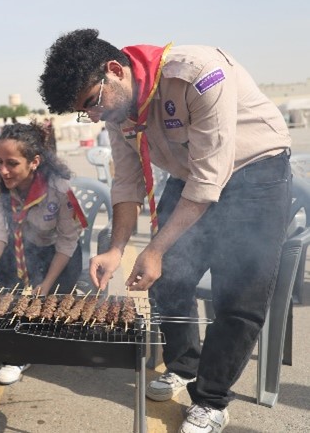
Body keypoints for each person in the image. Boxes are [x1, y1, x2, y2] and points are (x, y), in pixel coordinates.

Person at [39, 28, 292, 433]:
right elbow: (126, 182)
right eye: (82, 111)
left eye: (91, 102)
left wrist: (154, 248)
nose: (92, 115)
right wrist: (117, 247)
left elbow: (210, 179)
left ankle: (211, 400)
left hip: (253, 175)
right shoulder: (117, 110)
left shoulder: (198, 73)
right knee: (167, 280)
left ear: (115, 70)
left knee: (239, 297)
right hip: (190, 175)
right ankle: (184, 367)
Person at [0, 122, 85, 385]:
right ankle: (16, 354)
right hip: (15, 250)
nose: (3, 170)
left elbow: (68, 242)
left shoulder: (59, 188)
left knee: (50, 316)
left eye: (11, 163)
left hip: (56, 254)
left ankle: (57, 309)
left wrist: (45, 284)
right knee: (11, 305)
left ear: (34, 161)